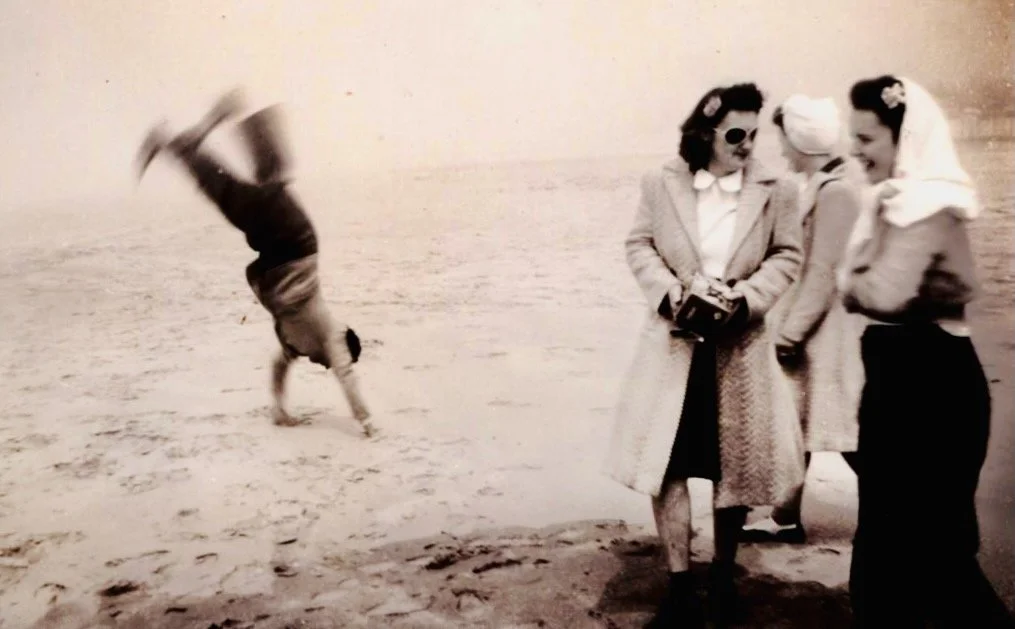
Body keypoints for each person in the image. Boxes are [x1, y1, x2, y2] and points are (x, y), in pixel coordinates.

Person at [603, 83, 806, 628]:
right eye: (735, 135)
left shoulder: (777, 189)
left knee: (732, 467)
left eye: (754, 134)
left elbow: (788, 255)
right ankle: (678, 581)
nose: (747, 146)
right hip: (674, 345)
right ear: (705, 134)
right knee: (668, 464)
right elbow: (638, 244)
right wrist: (672, 294)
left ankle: (721, 576)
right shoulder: (661, 181)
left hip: (738, 347)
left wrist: (747, 301)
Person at [841, 75, 1014, 627]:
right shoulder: (902, 204)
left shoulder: (929, 206)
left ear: (904, 139)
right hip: (909, 386)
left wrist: (852, 268)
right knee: (901, 554)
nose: (855, 150)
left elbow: (878, 294)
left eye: (866, 138)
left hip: (932, 393)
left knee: (929, 558)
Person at [136, 91, 376, 437]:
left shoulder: (296, 345)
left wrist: (280, 409)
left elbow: (278, 368)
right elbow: (346, 375)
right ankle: (178, 142)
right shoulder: (331, 335)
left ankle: (234, 118)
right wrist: (365, 421)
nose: (325, 366)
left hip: (282, 250)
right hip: (294, 244)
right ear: (341, 348)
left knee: (265, 185)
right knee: (238, 195)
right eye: (329, 363)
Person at [741, 94, 865, 544]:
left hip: (825, 335)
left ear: (803, 142)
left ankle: (889, 514)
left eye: (786, 141)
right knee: (797, 425)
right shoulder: (822, 187)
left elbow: (824, 272)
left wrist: (789, 334)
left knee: (845, 432)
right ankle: (785, 515)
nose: (783, 151)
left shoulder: (837, 192)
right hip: (813, 332)